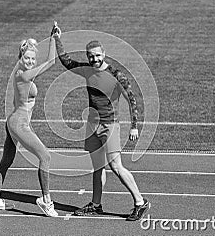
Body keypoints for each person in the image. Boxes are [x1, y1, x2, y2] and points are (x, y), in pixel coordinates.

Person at [51, 24, 149, 221]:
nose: (94, 59)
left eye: (97, 55)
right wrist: (57, 39)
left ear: (104, 53)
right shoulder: (87, 70)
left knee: (116, 166)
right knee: (97, 168)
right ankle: (96, 204)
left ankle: (140, 202)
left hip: (110, 126)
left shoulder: (116, 75)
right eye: (91, 56)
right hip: (92, 126)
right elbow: (67, 62)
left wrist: (134, 126)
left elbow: (132, 100)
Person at [0, 26, 58, 217]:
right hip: (19, 124)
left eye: (33, 59)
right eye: (27, 58)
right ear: (20, 57)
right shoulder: (24, 75)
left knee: (7, 160)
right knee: (45, 157)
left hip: (14, 121)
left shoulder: (19, 72)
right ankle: (46, 200)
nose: (30, 61)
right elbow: (51, 61)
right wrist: (54, 39)